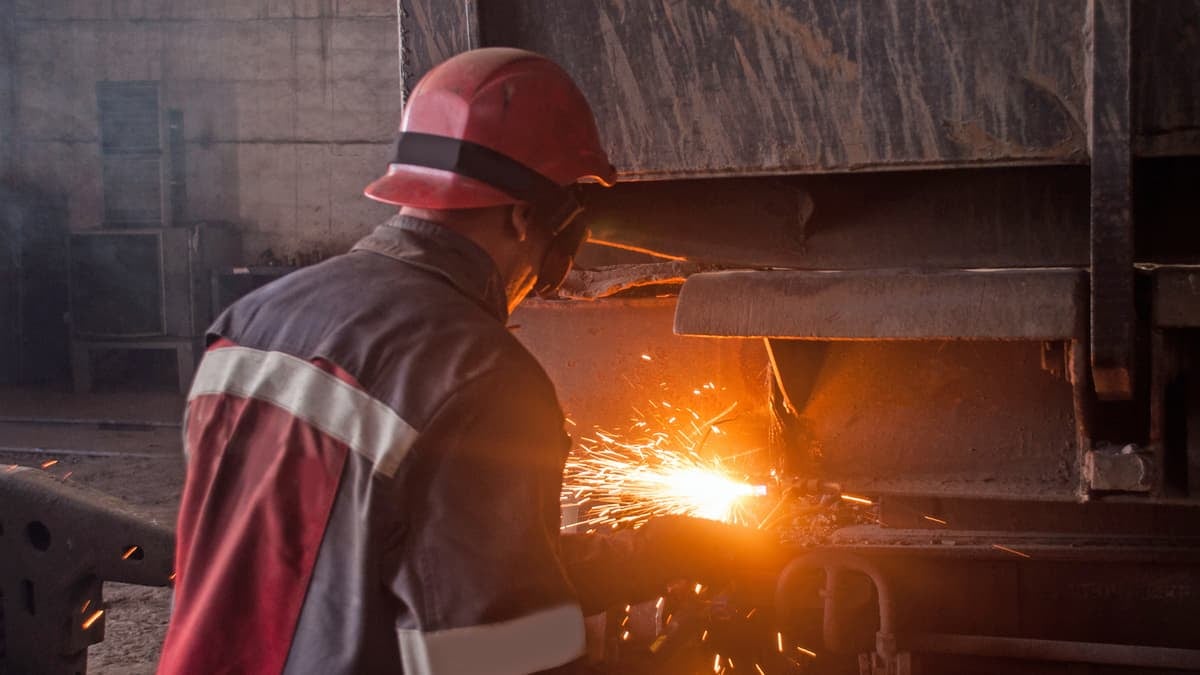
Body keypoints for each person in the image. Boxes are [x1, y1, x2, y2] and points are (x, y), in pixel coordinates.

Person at [158, 48, 783, 675]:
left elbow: (378, 558)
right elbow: (494, 653)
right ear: (522, 219)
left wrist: (650, 555)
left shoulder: (248, 325)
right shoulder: (480, 377)